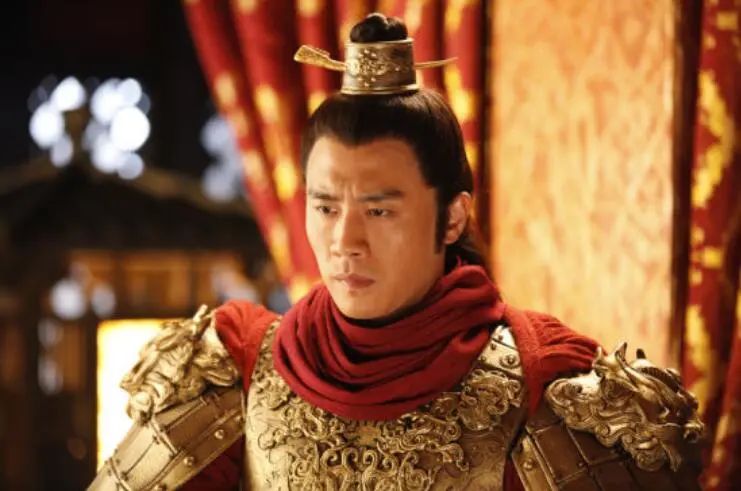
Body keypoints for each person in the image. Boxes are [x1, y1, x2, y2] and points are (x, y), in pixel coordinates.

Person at [89, 13, 704, 491]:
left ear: (451, 217)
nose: (344, 242)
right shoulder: (239, 367)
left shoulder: (545, 385)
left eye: (379, 211)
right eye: (325, 207)